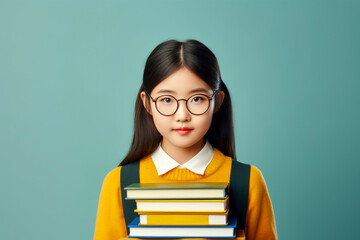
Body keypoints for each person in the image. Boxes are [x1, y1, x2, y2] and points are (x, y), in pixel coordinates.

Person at [94, 39, 277, 240]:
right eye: (166, 100)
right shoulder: (118, 184)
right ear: (147, 104)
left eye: (197, 99)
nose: (182, 115)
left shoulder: (248, 182)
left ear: (217, 102)